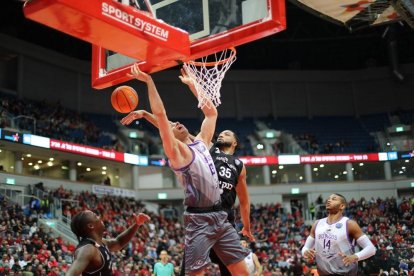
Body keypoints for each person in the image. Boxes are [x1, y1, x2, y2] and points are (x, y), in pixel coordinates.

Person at [121, 64, 249, 276]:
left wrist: (194, 85)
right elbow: (162, 117)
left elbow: (210, 114)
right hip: (199, 220)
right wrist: (149, 82)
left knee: (243, 272)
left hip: (220, 215)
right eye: (173, 126)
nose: (177, 123)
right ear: (169, 135)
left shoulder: (200, 142)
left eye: (177, 123)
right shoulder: (177, 154)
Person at [208, 129, 255, 276]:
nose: (221, 135)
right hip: (203, 217)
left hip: (225, 221)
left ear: (235, 142)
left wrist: (246, 227)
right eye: (220, 134)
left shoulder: (239, 165)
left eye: (226, 134)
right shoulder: (211, 150)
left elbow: (244, 202)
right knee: (191, 267)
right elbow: (185, 134)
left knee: (230, 270)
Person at [301, 193, 376, 276]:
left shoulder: (349, 224)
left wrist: (355, 257)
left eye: (334, 199)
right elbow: (305, 248)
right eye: (329, 198)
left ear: (342, 206)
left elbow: (371, 249)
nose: (329, 200)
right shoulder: (317, 224)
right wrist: (306, 252)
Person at [66, 210, 150, 276]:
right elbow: (70, 274)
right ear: (91, 226)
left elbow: (119, 242)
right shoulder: (88, 249)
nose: (99, 217)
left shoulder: (100, 242)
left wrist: (137, 224)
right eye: (96, 216)